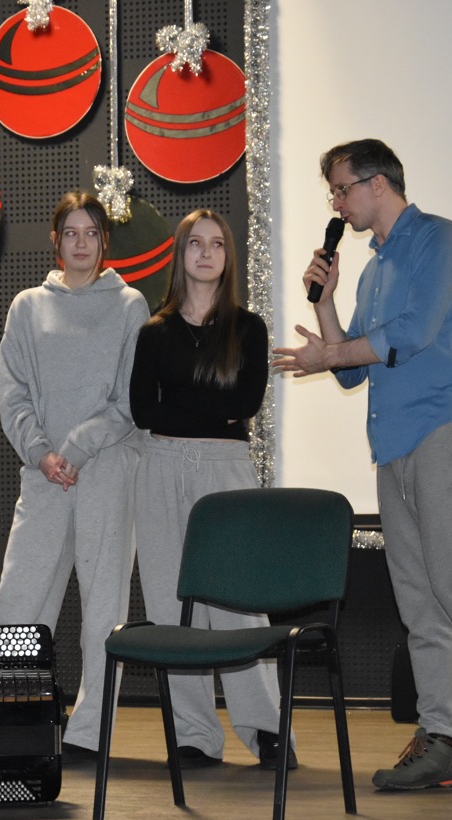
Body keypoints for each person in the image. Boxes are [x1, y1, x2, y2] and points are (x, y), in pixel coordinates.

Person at [272, 139, 452, 793]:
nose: (337, 203)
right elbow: (351, 370)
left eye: (342, 188)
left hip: (447, 429)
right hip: (393, 445)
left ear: (378, 183)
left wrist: (333, 354)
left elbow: (411, 333)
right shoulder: (370, 271)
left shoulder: (437, 238)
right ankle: (440, 741)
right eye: (333, 192)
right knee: (418, 600)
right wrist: (325, 303)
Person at [129, 209, 293, 771]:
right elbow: (143, 411)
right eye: (195, 244)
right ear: (180, 255)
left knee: (238, 603)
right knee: (170, 604)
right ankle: (195, 735)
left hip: (225, 469)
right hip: (160, 467)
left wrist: (183, 403)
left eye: (216, 244)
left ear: (228, 255)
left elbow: (244, 404)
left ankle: (267, 730)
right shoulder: (154, 331)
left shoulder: (248, 329)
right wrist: (210, 405)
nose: (205, 253)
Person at [0, 191, 150, 764]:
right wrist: (42, 454)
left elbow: (130, 399)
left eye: (91, 233)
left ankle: (88, 731)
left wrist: (77, 447)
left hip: (107, 470)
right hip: (45, 474)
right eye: (71, 233)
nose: (81, 243)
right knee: (19, 600)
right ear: (55, 240)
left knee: (103, 608)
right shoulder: (27, 307)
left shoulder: (129, 305)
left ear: (104, 241)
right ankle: (8, 719)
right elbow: (14, 395)